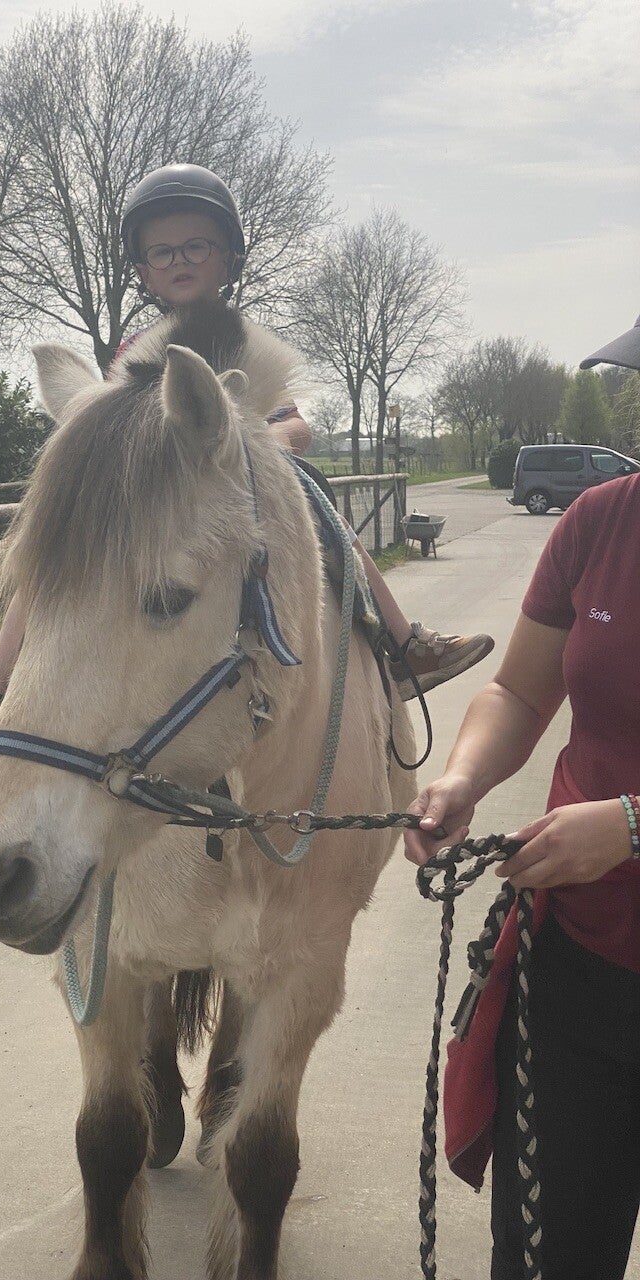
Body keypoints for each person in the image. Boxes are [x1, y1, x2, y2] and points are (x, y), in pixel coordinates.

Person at [0, 165, 493, 752]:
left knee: (330, 522)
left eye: (196, 245)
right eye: (162, 251)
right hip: (159, 488)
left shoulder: (244, 339)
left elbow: (293, 419)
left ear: (228, 258)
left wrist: (266, 441)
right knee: (63, 550)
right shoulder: (135, 350)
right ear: (144, 269)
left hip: (241, 479)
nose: (179, 260)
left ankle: (402, 644)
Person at [404, 313, 640, 1279]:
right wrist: (463, 776)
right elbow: (518, 692)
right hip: (580, 962)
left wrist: (632, 825)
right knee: (546, 1257)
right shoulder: (602, 519)